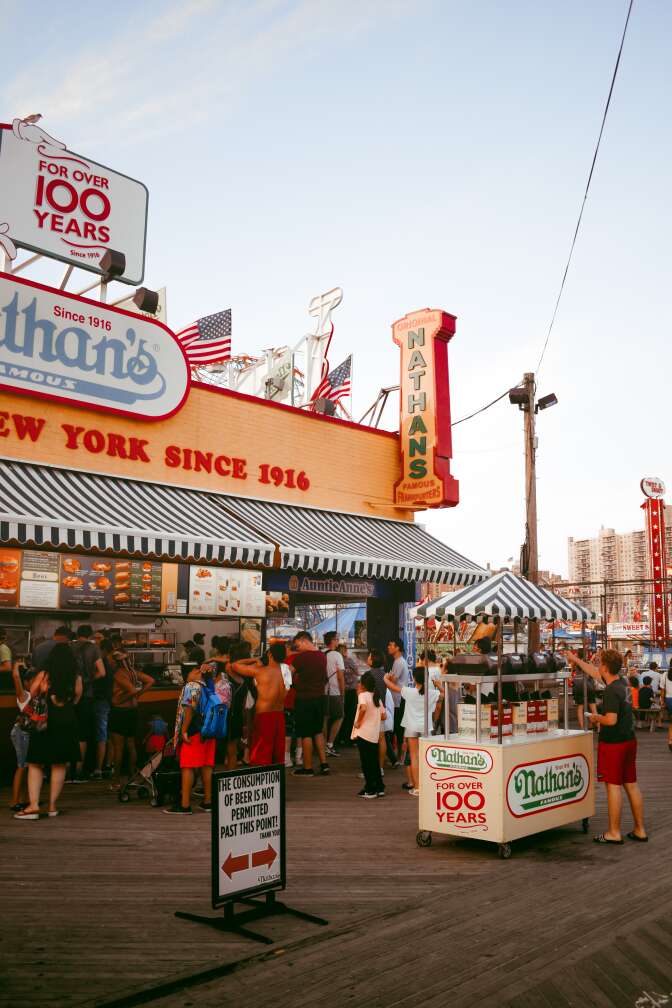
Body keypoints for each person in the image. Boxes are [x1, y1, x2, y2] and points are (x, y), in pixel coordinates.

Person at [566, 649, 647, 844]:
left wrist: (595, 718)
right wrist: (575, 659)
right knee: (631, 784)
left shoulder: (611, 690)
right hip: (629, 739)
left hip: (614, 742)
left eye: (599, 662)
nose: (597, 665)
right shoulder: (622, 682)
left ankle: (613, 832)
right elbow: (594, 673)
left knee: (613, 786)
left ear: (604, 666)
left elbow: (610, 720)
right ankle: (640, 830)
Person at [14, 643, 82, 819]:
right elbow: (76, 698)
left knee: (36, 763)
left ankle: (34, 806)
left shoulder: (44, 675)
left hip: (45, 722)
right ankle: (52, 806)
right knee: (59, 764)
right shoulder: (76, 677)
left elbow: (32, 693)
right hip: (67, 720)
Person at [163, 663, 214, 814]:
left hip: (194, 732)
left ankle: (185, 805)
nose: (196, 670)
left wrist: (184, 731)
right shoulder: (208, 685)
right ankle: (207, 801)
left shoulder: (192, 685)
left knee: (187, 766)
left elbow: (189, 708)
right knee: (206, 765)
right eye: (194, 669)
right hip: (209, 731)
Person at [384, 664, 439, 797]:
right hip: (426, 728)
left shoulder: (409, 692)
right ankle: (427, 785)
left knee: (414, 757)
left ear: (414, 678)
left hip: (411, 728)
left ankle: (418, 787)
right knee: (426, 758)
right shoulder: (432, 693)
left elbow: (392, 687)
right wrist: (438, 684)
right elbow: (446, 694)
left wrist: (386, 678)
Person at [232, 643, 287, 766]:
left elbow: (234, 665)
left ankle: (262, 780)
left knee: (261, 754)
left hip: (264, 715)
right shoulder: (288, 670)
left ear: (270, 654)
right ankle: (276, 781)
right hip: (279, 714)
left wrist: (256, 659)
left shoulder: (260, 671)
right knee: (277, 753)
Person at [109, 649, 154, 794]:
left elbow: (132, 690)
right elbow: (150, 681)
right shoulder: (133, 673)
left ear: (116, 662)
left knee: (118, 747)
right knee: (130, 744)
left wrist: (118, 699)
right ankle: (133, 776)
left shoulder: (119, 674)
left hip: (120, 712)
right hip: (132, 712)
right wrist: (138, 695)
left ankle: (116, 781)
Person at [290, 631, 329, 776]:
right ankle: (324, 764)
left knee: (305, 734)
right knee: (318, 731)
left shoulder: (301, 658)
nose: (297, 648)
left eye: (297, 644)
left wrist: (295, 683)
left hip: (304, 699)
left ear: (303, 640)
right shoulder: (322, 656)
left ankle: (307, 768)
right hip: (319, 698)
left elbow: (287, 675)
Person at [71, 625, 106, 782]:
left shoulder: (69, 647)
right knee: (83, 734)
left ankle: (66, 770)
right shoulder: (94, 648)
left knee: (69, 731)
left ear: (78, 634)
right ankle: (79, 770)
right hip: (87, 696)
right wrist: (89, 680)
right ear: (90, 635)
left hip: (69, 695)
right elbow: (102, 672)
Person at [350, 670, 385, 798]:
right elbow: (384, 716)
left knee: (366, 762)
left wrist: (358, 722)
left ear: (363, 685)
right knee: (374, 761)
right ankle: (379, 787)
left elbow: (364, 708)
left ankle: (370, 789)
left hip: (364, 733)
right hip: (374, 734)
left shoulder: (363, 696)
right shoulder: (376, 697)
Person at [367, 649, 399, 768]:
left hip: (371, 711)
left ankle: (374, 767)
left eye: (369, 657)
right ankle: (380, 767)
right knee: (382, 739)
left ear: (373, 660)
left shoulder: (368, 675)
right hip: (383, 711)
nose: (368, 658)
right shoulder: (384, 675)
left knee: (372, 741)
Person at [10, 658, 33, 812]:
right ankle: (14, 800)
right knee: (21, 766)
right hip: (21, 733)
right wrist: (16, 666)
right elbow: (16, 677)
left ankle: (24, 799)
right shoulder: (24, 695)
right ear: (26, 682)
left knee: (26, 767)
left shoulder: (33, 695)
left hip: (25, 733)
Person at [323, 631, 345, 757]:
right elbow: (340, 677)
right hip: (335, 691)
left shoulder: (321, 654)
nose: (338, 641)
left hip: (322, 691)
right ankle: (329, 744)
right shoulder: (337, 655)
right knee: (340, 716)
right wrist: (343, 694)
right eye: (337, 639)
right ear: (332, 640)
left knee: (324, 718)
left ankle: (323, 744)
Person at [386, 638, 410, 757]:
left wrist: (387, 677)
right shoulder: (398, 661)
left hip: (398, 700)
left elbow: (393, 680)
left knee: (397, 727)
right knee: (396, 727)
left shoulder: (399, 662)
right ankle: (397, 754)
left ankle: (400, 754)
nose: (388, 647)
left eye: (391, 645)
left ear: (397, 648)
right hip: (396, 699)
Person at [336, 642, 360, 746]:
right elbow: (357, 671)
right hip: (351, 690)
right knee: (351, 715)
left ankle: (339, 738)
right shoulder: (349, 660)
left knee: (341, 715)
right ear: (345, 651)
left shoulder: (337, 662)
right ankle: (349, 738)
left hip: (341, 690)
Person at [570, 648, 598, 729]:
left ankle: (582, 728)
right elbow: (593, 672)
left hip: (578, 685)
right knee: (593, 706)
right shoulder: (588, 662)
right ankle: (598, 727)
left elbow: (572, 673)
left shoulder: (575, 662)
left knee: (580, 707)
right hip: (588, 685)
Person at [664, 660, 672, 753]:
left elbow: (662, 689)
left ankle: (670, 741)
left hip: (669, 699)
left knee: (671, 722)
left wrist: (662, 701)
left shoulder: (665, 674)